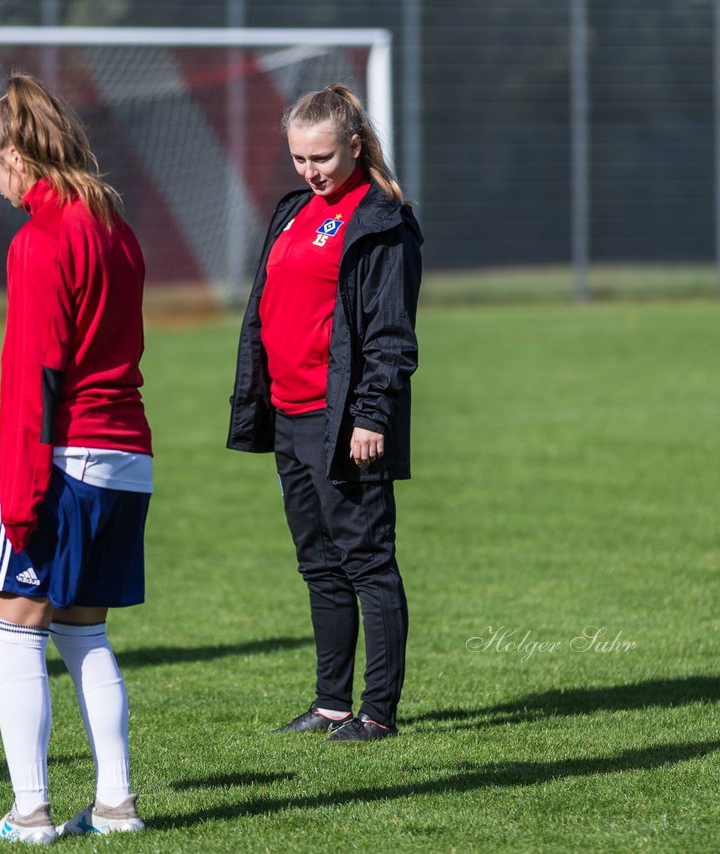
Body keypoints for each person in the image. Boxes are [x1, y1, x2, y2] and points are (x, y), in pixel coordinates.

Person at [0, 72, 152, 843]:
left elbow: (32, 379)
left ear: (20, 152)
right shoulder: (115, 224)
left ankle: (30, 812)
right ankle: (115, 807)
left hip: (65, 459)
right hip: (127, 457)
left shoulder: (41, 240)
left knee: (15, 627)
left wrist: (20, 496)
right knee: (84, 632)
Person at [228, 84, 422, 742]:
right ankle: (331, 704)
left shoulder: (381, 219)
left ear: (355, 146)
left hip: (344, 422)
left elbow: (391, 337)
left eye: (323, 158)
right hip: (289, 415)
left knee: (367, 560)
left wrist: (371, 417)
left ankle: (378, 712)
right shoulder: (292, 210)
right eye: (299, 158)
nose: (311, 172)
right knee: (318, 562)